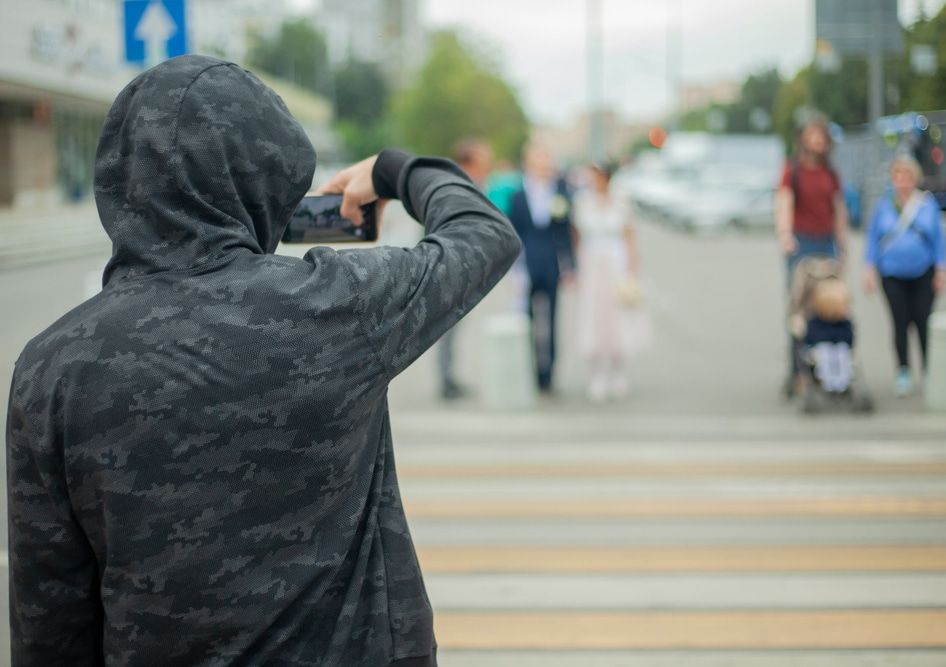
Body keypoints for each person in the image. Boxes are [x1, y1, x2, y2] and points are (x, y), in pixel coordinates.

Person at [5, 55, 521, 666]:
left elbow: (50, 615)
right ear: (269, 178)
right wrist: (392, 169)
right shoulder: (335, 304)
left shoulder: (50, 367)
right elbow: (484, 234)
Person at [775, 114, 850, 395]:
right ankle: (796, 370)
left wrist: (842, 244)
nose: (817, 141)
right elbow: (784, 202)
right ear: (804, 138)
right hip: (801, 243)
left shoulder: (831, 173)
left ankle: (830, 364)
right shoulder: (792, 170)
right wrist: (785, 235)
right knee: (798, 308)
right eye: (812, 135)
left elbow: (838, 209)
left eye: (821, 136)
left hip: (826, 242)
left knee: (830, 304)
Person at [864, 154, 946, 396]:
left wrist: (942, 270)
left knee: (923, 321)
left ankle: (929, 370)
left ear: (915, 179)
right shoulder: (883, 207)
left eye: (907, 176)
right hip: (891, 273)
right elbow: (873, 241)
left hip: (923, 272)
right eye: (897, 176)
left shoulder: (926, 205)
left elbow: (938, 241)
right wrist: (869, 269)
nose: (902, 181)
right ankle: (903, 370)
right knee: (900, 323)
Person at [507, 143, 576, 393]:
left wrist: (570, 267)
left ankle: (549, 374)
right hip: (527, 265)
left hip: (551, 264)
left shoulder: (561, 190)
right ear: (529, 163)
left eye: (547, 160)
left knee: (552, 321)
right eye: (540, 160)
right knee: (527, 321)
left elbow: (566, 231)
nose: (545, 165)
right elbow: (512, 233)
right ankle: (531, 371)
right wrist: (514, 270)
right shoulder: (518, 194)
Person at [574, 162, 642, 402]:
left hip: (615, 263)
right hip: (592, 264)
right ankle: (597, 373)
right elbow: (577, 237)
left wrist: (632, 269)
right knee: (594, 316)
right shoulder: (582, 202)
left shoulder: (621, 201)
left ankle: (618, 371)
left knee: (618, 317)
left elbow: (629, 236)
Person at [436, 137, 495, 400]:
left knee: (453, 330)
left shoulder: (471, 186)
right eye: (483, 163)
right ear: (468, 163)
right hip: (448, 268)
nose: (487, 169)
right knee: (445, 330)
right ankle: (446, 380)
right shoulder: (452, 189)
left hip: (464, 268)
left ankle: (450, 378)